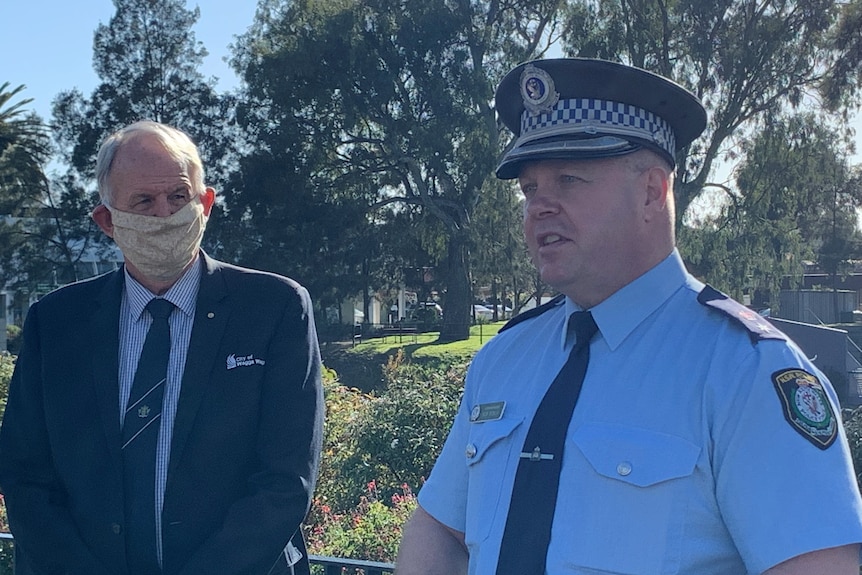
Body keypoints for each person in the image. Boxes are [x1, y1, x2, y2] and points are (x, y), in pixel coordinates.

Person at [396, 58, 862, 574]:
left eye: (569, 179)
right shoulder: (504, 358)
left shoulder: (745, 374)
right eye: (529, 189)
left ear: (651, 191)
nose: (538, 207)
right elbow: (441, 529)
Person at [0, 120, 324, 575]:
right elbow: (26, 475)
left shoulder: (275, 309)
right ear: (107, 220)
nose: (165, 214)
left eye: (178, 196)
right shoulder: (55, 323)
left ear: (205, 203)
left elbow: (285, 480)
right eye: (143, 202)